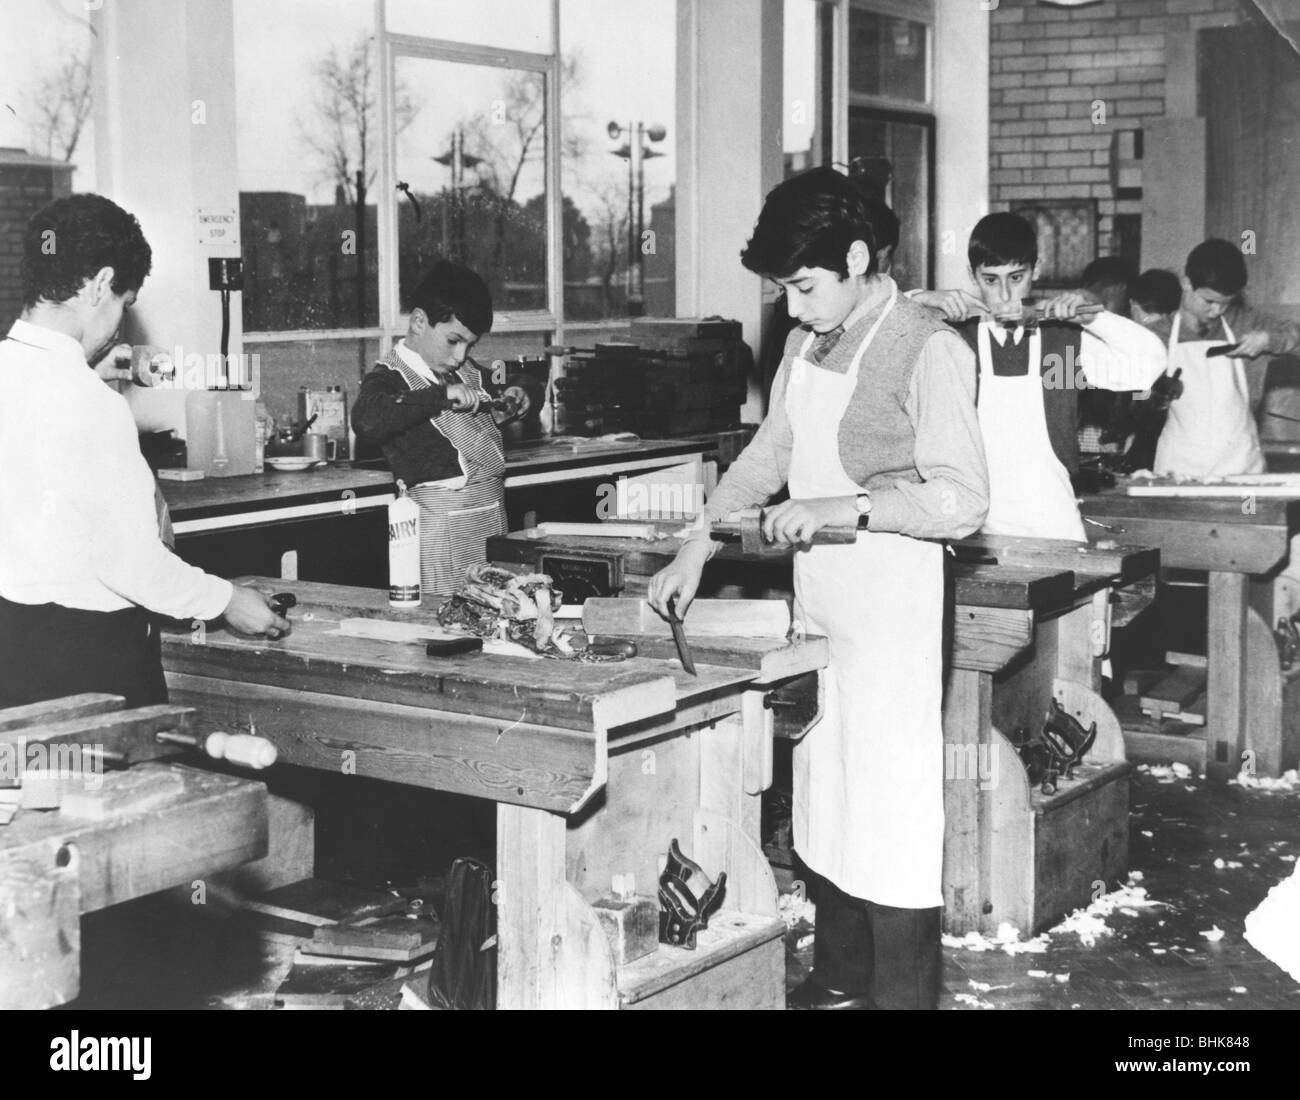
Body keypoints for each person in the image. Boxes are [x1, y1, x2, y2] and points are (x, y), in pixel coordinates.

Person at [648, 167, 989, 1010]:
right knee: (825, 787)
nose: (792, 307)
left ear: (859, 257)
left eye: (804, 286)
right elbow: (768, 457)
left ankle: (906, 996)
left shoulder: (927, 345)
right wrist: (702, 538)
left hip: (894, 600)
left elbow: (963, 499)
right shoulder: (808, 344)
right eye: (783, 291)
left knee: (893, 803)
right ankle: (839, 977)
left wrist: (853, 502)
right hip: (823, 601)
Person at [0, 194, 287, 710]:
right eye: (122, 305)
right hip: (88, 664)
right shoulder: (91, 406)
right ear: (99, 284)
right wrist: (227, 600)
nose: (116, 328)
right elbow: (128, 562)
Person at [912, 213, 1165, 541]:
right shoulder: (956, 340)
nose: (1004, 294)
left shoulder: (1060, 346)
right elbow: (879, 337)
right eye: (990, 280)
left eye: (1016, 277)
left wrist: (1092, 317)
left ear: (1037, 269)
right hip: (974, 523)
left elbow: (1148, 365)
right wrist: (918, 299)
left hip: (1051, 518)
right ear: (971, 275)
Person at [351, 261, 530, 596]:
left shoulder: (465, 371)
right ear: (419, 321)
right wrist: (440, 395)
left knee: (500, 618)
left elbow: (487, 404)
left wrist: (511, 400)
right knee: (449, 627)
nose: (461, 355)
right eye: (453, 340)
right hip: (441, 532)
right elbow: (366, 419)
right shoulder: (389, 377)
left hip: (491, 519)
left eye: (469, 345)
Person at [1152, 239, 1300, 478]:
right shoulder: (1158, 334)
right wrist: (1153, 396)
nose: (1217, 311)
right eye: (1209, 301)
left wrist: (1270, 340)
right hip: (1178, 469)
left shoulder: (1245, 322)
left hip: (1240, 467)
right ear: (1186, 283)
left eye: (1225, 303)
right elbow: (1130, 405)